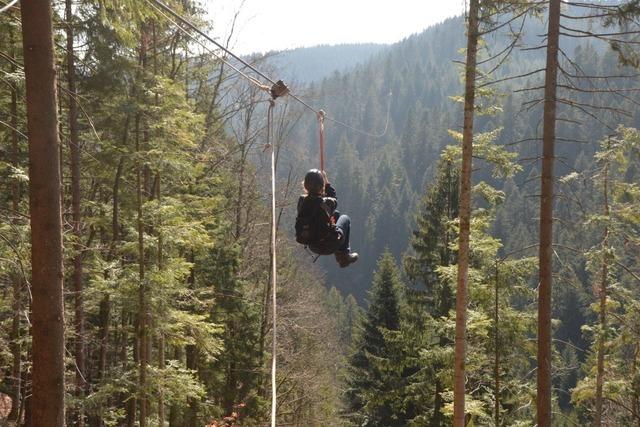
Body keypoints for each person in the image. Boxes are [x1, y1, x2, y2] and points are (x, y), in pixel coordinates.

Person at [295, 169, 359, 268]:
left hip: (313, 245)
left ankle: (341, 253)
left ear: (305, 186)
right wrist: (326, 181)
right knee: (345, 218)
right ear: (322, 186)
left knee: (336, 214)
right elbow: (334, 199)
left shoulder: (302, 201)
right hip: (329, 245)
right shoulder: (326, 202)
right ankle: (344, 255)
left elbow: (316, 205)